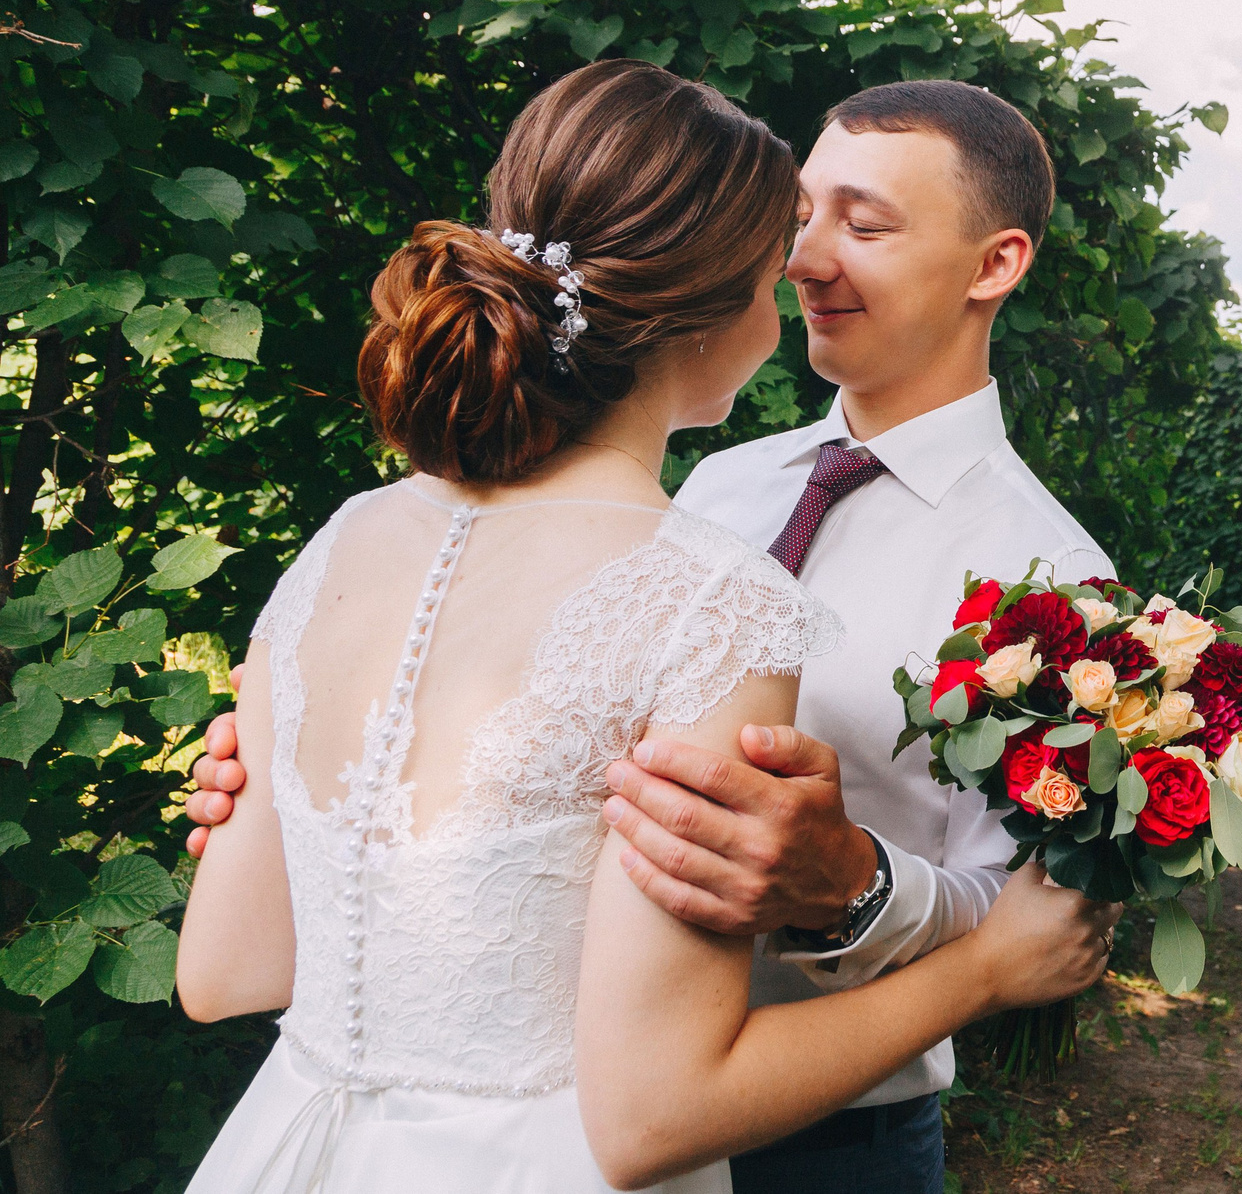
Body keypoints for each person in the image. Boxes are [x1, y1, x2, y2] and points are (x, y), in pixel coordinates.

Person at [176, 61, 1114, 1193]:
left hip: (833, 1136)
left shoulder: (1052, 579)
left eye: (861, 224)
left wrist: (854, 884)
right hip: (597, 1116)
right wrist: (330, 801)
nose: (809, 260)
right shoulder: (716, 496)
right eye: (797, 223)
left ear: (996, 263)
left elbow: (1031, 898)